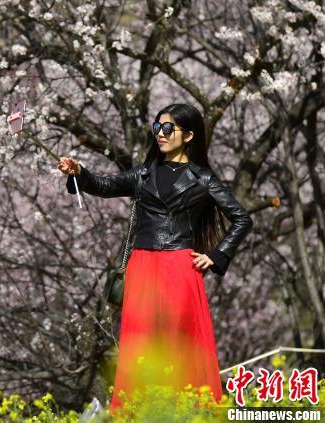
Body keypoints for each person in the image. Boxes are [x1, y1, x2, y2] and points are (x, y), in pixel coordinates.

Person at [57, 103, 253, 414]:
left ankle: (189, 413)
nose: (160, 134)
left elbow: (242, 218)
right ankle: (135, 413)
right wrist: (79, 172)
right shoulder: (143, 173)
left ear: (188, 135)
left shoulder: (203, 179)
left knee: (180, 341)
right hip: (142, 266)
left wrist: (215, 256)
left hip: (179, 267)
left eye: (168, 128)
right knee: (138, 342)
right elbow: (105, 186)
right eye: (157, 127)